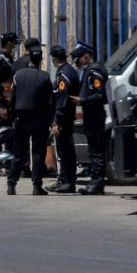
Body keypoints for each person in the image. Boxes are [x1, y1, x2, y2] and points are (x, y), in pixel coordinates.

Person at [6, 45, 52, 195]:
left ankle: (11, 184)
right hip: (39, 118)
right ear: (41, 60)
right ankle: (36, 186)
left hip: (21, 118)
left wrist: (12, 116)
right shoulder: (44, 77)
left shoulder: (18, 75)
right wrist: (51, 120)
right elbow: (50, 101)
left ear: (29, 58)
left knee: (19, 153)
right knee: (38, 152)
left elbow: (12, 99)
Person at [73, 42, 109, 195]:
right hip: (92, 114)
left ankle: (97, 183)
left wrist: (83, 101)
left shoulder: (95, 70)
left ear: (86, 56)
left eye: (79, 59)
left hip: (95, 114)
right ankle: (95, 182)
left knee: (96, 150)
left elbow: (98, 94)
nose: (77, 62)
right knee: (94, 150)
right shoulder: (91, 69)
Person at [48, 44, 79, 194]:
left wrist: (56, 122)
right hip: (65, 116)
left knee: (66, 150)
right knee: (62, 150)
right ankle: (63, 179)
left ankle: (69, 182)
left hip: (64, 118)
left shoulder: (64, 74)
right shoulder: (65, 71)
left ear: (53, 58)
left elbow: (62, 100)